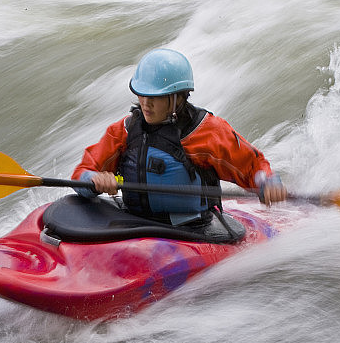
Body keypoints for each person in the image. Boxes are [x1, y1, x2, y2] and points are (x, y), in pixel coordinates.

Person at [71, 48, 287, 226]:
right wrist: (93, 181)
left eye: (156, 97)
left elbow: (253, 166)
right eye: (142, 94)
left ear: (178, 98)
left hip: (190, 228)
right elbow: (82, 173)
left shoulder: (208, 132)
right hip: (134, 222)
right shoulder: (124, 131)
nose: (146, 103)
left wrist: (268, 182)